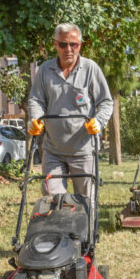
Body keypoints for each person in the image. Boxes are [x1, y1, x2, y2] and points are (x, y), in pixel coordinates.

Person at [28, 23, 113, 197]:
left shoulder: (90, 69)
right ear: (55, 45)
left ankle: (86, 225)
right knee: (52, 197)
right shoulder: (45, 70)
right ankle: (59, 224)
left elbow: (106, 102)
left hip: (83, 150)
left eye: (73, 44)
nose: (68, 49)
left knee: (85, 199)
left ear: (80, 45)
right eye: (63, 44)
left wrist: (98, 121)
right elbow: (36, 100)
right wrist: (36, 119)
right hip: (53, 150)